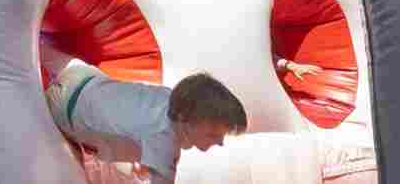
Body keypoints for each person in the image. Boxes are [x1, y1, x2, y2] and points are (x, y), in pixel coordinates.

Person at [41, 41, 247, 184]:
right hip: (62, 107)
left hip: (82, 73)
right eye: (213, 134)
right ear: (185, 120)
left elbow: (135, 119)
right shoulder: (165, 144)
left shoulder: (170, 97)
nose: (220, 142)